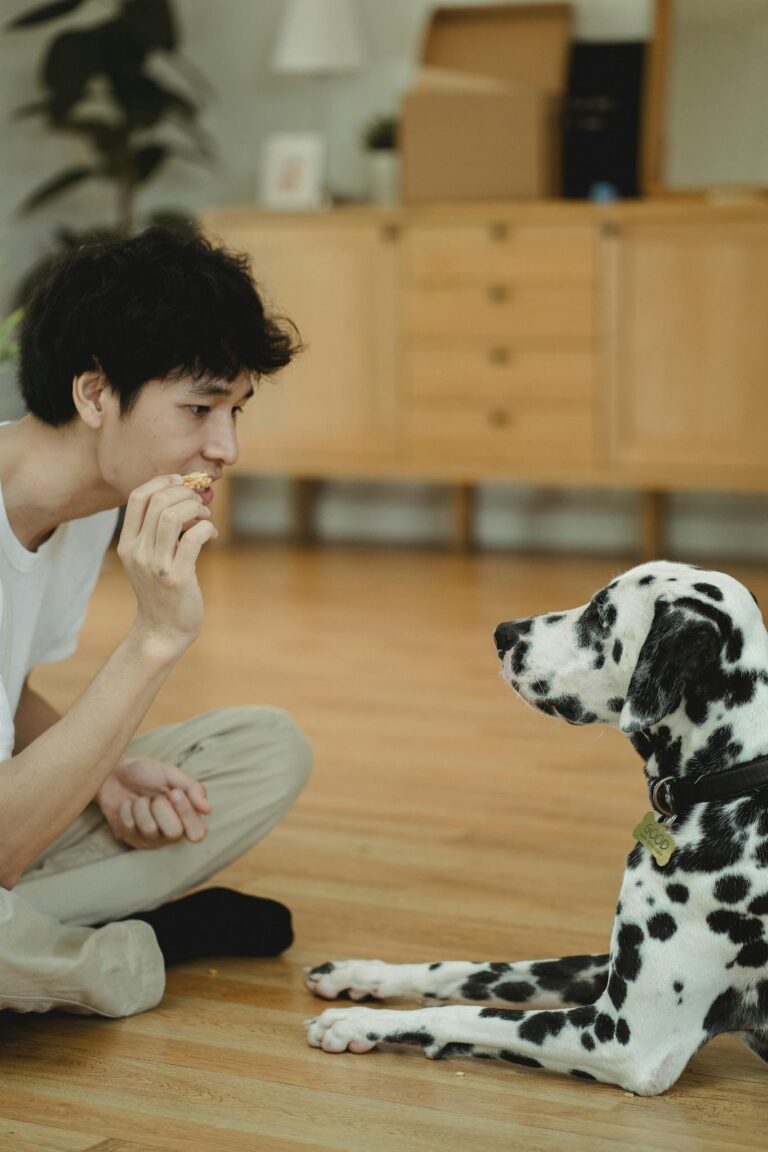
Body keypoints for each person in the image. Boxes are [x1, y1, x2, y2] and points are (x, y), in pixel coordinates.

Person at [0, 226, 312, 1018]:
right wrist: (154, 639)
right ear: (96, 394)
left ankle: (36, 945)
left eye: (235, 409)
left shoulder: (90, 506)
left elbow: (9, 689)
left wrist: (102, 776)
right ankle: (77, 952)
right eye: (200, 408)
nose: (226, 447)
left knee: (265, 750)